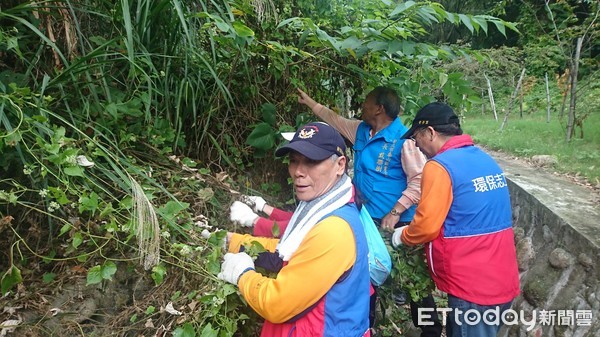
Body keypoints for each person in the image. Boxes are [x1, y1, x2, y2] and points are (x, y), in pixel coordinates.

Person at [297, 88, 442, 336]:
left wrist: (396, 211)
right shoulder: (361, 131)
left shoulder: (404, 139)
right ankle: (368, 326)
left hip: (397, 224)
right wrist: (311, 103)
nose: (361, 107)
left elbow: (420, 179)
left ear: (379, 109)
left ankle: (430, 330)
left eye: (366, 103)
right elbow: (335, 120)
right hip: (367, 219)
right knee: (366, 275)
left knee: (412, 281)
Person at [217, 122, 371, 337]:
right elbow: (289, 248)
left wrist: (242, 274)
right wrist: (234, 241)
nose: (298, 172)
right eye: (294, 161)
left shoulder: (334, 230)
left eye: (312, 162)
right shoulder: (322, 206)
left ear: (340, 165)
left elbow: (277, 304)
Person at [392, 102, 520, 337]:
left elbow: (427, 226)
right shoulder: (484, 160)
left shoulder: (440, 166)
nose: (417, 146)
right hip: (500, 277)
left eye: (417, 138)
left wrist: (403, 235)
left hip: (471, 285)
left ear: (430, 132)